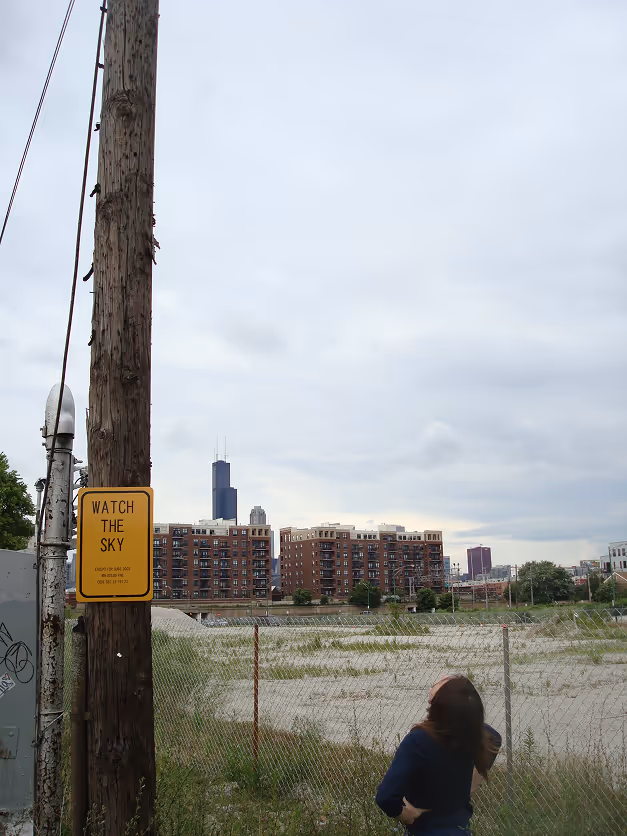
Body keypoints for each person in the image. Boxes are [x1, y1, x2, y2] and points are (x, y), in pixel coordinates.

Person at [376, 675, 501, 835]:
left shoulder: (418, 741)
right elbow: (494, 738)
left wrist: (407, 815)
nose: (432, 687)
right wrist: (471, 786)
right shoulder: (470, 732)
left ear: (439, 704)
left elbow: (385, 797)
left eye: (440, 684)